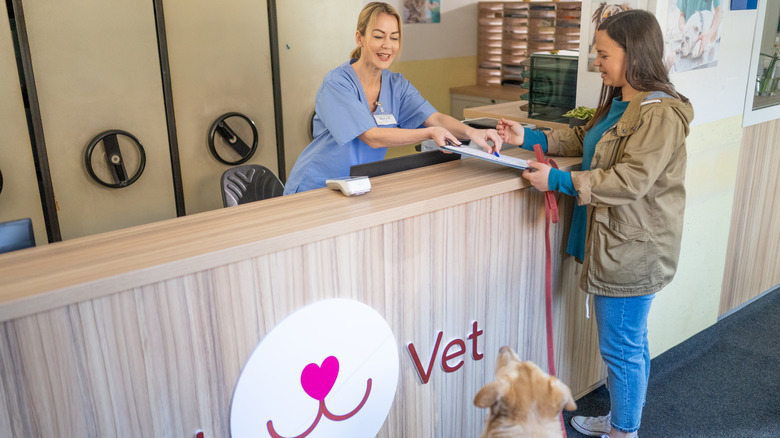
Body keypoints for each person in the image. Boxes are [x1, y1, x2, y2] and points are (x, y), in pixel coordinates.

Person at [496, 10, 693, 438]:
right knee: (630, 344)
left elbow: (630, 180)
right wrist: (526, 137)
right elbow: (585, 139)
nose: (597, 62)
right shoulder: (622, 100)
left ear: (634, 53)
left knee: (621, 348)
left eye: (604, 54)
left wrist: (560, 180)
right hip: (617, 243)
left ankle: (625, 430)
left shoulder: (659, 113)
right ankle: (625, 419)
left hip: (634, 248)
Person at [284, 2, 501, 194]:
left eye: (394, 37)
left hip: (357, 186)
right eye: (378, 36)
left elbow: (434, 118)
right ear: (360, 37)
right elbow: (372, 137)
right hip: (316, 186)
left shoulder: (396, 85)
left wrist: (473, 132)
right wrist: (428, 133)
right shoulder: (337, 83)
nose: (387, 45)